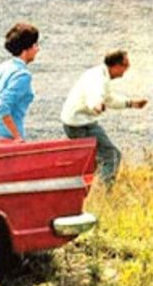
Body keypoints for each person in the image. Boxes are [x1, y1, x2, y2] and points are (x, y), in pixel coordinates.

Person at [60, 50, 148, 187]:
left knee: (96, 159)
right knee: (111, 156)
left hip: (81, 121)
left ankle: (92, 187)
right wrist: (96, 105)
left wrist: (131, 103)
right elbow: (94, 95)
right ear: (117, 65)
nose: (126, 70)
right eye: (126, 65)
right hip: (79, 125)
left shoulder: (100, 74)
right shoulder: (97, 79)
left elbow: (108, 98)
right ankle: (103, 191)